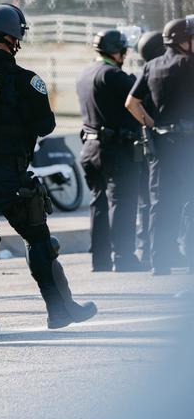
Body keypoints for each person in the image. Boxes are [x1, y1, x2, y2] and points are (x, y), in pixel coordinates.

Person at [0, 4, 97, 335]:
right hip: (9, 176)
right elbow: (46, 125)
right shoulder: (24, 80)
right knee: (38, 240)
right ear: (13, 38)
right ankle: (60, 309)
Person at [124, 16, 194, 276]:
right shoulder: (190, 64)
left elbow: (131, 102)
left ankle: (159, 263)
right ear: (183, 41)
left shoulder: (152, 66)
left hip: (162, 145)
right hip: (189, 146)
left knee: (160, 204)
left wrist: (153, 125)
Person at [75, 30, 144, 272]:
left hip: (90, 148)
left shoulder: (85, 74)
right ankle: (124, 257)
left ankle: (101, 260)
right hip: (114, 149)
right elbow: (140, 95)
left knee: (99, 203)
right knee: (122, 202)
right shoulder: (113, 75)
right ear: (118, 52)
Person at [134, 30, 167, 266]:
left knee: (146, 202)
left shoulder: (144, 74)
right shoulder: (159, 75)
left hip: (145, 145)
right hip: (157, 145)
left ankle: (145, 249)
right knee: (156, 201)